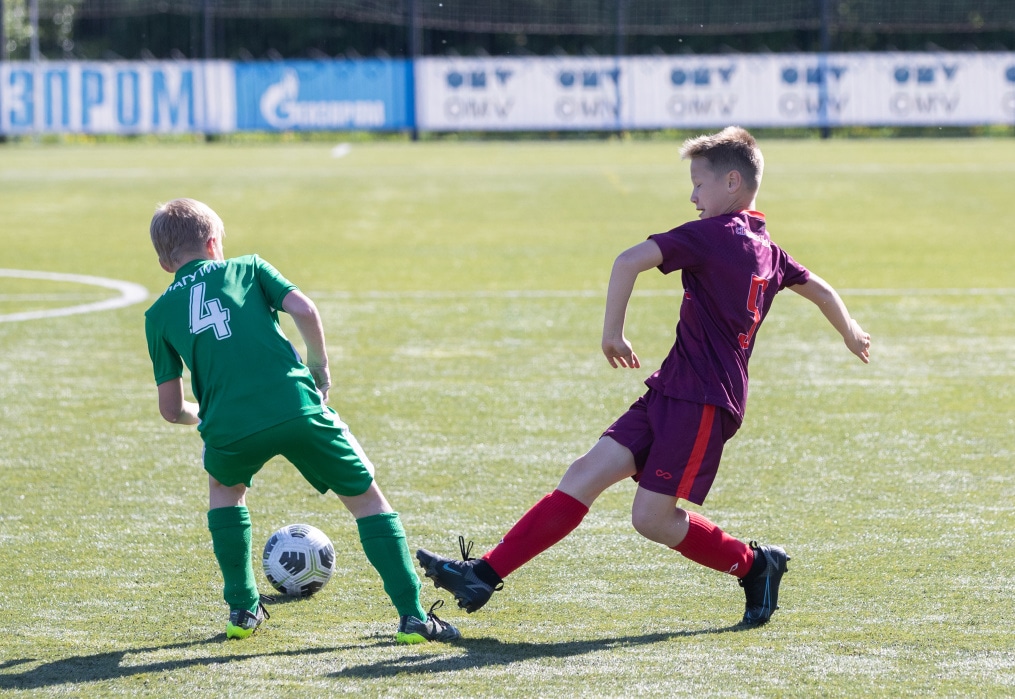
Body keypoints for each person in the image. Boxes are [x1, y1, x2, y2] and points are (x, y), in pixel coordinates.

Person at [417, 126, 871, 627]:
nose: (693, 195)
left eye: (699, 183)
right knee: (582, 475)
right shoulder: (768, 249)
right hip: (673, 388)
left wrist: (613, 332)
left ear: (733, 183)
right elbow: (822, 290)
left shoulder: (712, 235)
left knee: (651, 519)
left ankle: (754, 564)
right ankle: (481, 573)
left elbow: (628, 260)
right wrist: (850, 330)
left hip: (702, 400)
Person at [144, 198, 459, 644]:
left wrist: (205, 417)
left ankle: (243, 609)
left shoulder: (157, 315)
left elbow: (170, 408)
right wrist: (320, 370)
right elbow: (306, 310)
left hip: (229, 426)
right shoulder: (248, 267)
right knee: (368, 500)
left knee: (225, 493)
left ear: (163, 262)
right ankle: (412, 616)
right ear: (214, 244)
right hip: (297, 405)